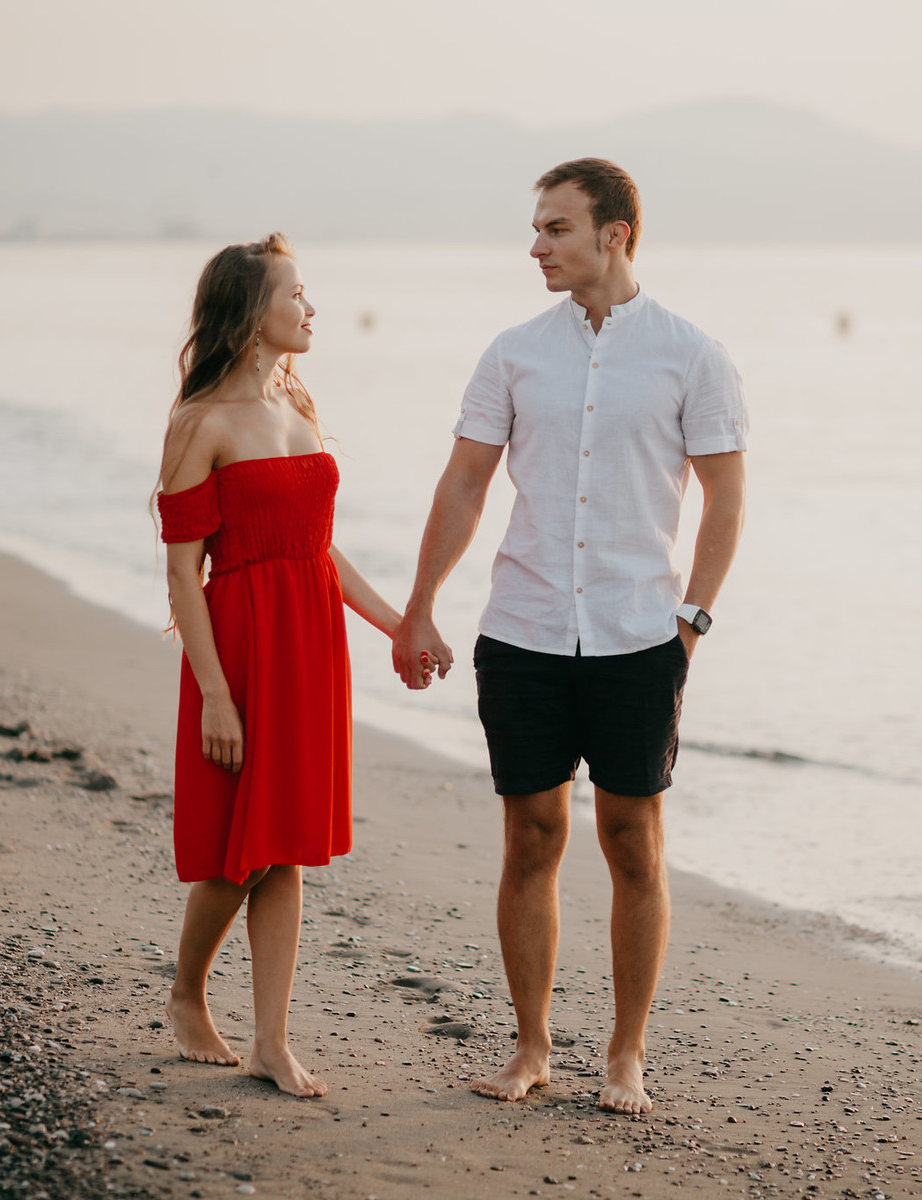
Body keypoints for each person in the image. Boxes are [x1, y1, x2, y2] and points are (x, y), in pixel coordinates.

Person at [393, 159, 748, 1114]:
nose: (538, 245)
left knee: (634, 841)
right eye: (538, 227)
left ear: (615, 234)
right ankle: (533, 1046)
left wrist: (692, 622)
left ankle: (626, 1054)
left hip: (641, 637)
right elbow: (464, 485)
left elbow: (726, 499)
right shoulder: (514, 352)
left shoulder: (692, 354)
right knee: (531, 836)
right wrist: (422, 602)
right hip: (525, 630)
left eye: (556, 228)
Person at [155, 233, 409, 1097]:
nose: (311, 309)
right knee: (240, 849)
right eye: (296, 294)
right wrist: (216, 697)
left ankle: (271, 1040)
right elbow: (184, 573)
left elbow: (319, 549)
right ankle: (188, 996)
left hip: (309, 647)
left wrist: (399, 623)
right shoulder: (202, 424)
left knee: (286, 844)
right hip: (238, 648)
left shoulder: (298, 404)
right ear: (250, 312)